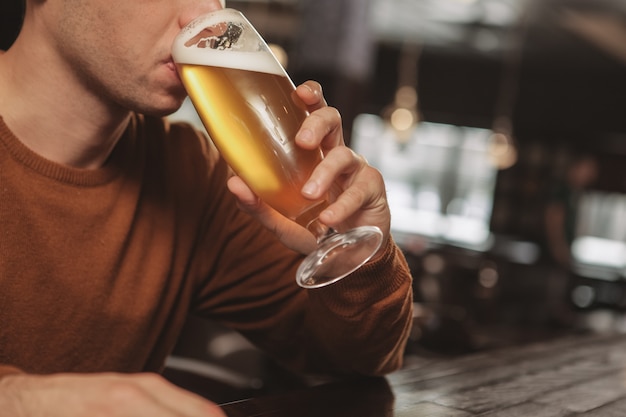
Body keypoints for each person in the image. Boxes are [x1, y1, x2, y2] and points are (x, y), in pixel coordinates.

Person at [0, 0, 413, 416]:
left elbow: (362, 360)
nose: (203, 15)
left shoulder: (192, 172)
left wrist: (358, 254)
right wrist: (18, 400)